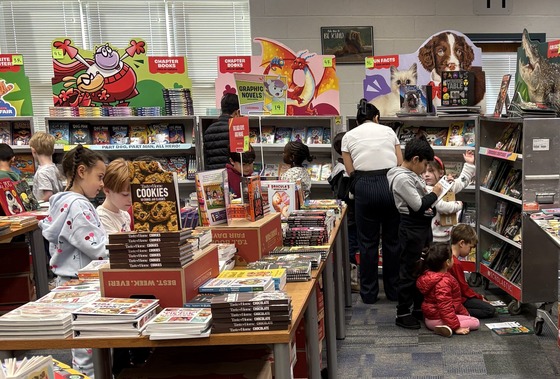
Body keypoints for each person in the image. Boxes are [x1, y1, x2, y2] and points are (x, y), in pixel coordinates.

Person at [39, 144, 107, 378]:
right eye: (99, 177)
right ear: (81, 171)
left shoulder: (61, 202)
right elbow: (97, 247)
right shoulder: (78, 205)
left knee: (82, 347)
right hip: (83, 285)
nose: (101, 184)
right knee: (89, 351)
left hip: (68, 283)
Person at [341, 99, 402, 304]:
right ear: (376, 118)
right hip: (389, 185)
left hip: (364, 188)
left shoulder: (348, 136)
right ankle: (393, 291)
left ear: (358, 121)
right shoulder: (388, 131)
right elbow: (400, 162)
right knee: (392, 242)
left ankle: (368, 294)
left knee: (367, 243)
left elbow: (350, 171)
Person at [387, 135, 443, 329]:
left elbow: (423, 203)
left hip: (421, 227)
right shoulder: (402, 178)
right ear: (416, 159)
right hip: (411, 228)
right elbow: (418, 205)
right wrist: (435, 193)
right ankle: (403, 312)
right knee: (409, 270)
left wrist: (431, 205)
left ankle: (419, 306)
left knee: (422, 267)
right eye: (425, 165)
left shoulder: (411, 175)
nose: (425, 170)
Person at [416, 242, 480, 337]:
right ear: (447, 262)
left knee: (468, 317)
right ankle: (445, 327)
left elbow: (454, 303)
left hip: (430, 318)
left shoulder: (430, 276)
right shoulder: (443, 282)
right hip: (438, 319)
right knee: (475, 322)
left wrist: (465, 314)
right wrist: (456, 327)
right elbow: (445, 307)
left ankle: (444, 326)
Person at [328, 132, 359, 292]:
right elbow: (344, 195)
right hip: (349, 216)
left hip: (347, 216)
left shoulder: (338, 168)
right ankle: (351, 281)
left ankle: (350, 279)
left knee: (350, 246)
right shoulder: (344, 172)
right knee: (351, 247)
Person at [422, 152, 475, 242]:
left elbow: (461, 182)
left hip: (449, 236)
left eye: (431, 171)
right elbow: (441, 207)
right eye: (423, 172)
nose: (426, 174)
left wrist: (469, 164)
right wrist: (458, 205)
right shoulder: (426, 190)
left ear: (441, 173)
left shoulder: (446, 185)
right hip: (432, 237)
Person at [449, 224, 496, 319]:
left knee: (481, 300)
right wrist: (479, 297)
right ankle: (455, 312)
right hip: (454, 299)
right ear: (461, 243)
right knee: (489, 310)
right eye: (470, 247)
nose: (470, 251)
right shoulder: (455, 263)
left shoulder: (446, 254)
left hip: (449, 296)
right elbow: (463, 289)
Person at [203, 93, 240, 170]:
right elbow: (241, 158)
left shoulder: (208, 130)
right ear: (237, 112)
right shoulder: (236, 130)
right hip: (231, 175)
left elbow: (207, 158)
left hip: (213, 177)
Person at [97, 158, 132, 234]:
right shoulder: (101, 218)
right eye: (125, 194)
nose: (131, 199)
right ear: (107, 190)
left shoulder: (125, 215)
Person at [29, 131, 64, 202]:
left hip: (44, 210)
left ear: (33, 151)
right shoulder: (54, 168)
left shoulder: (42, 172)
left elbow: (48, 195)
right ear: (53, 150)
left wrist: (35, 204)